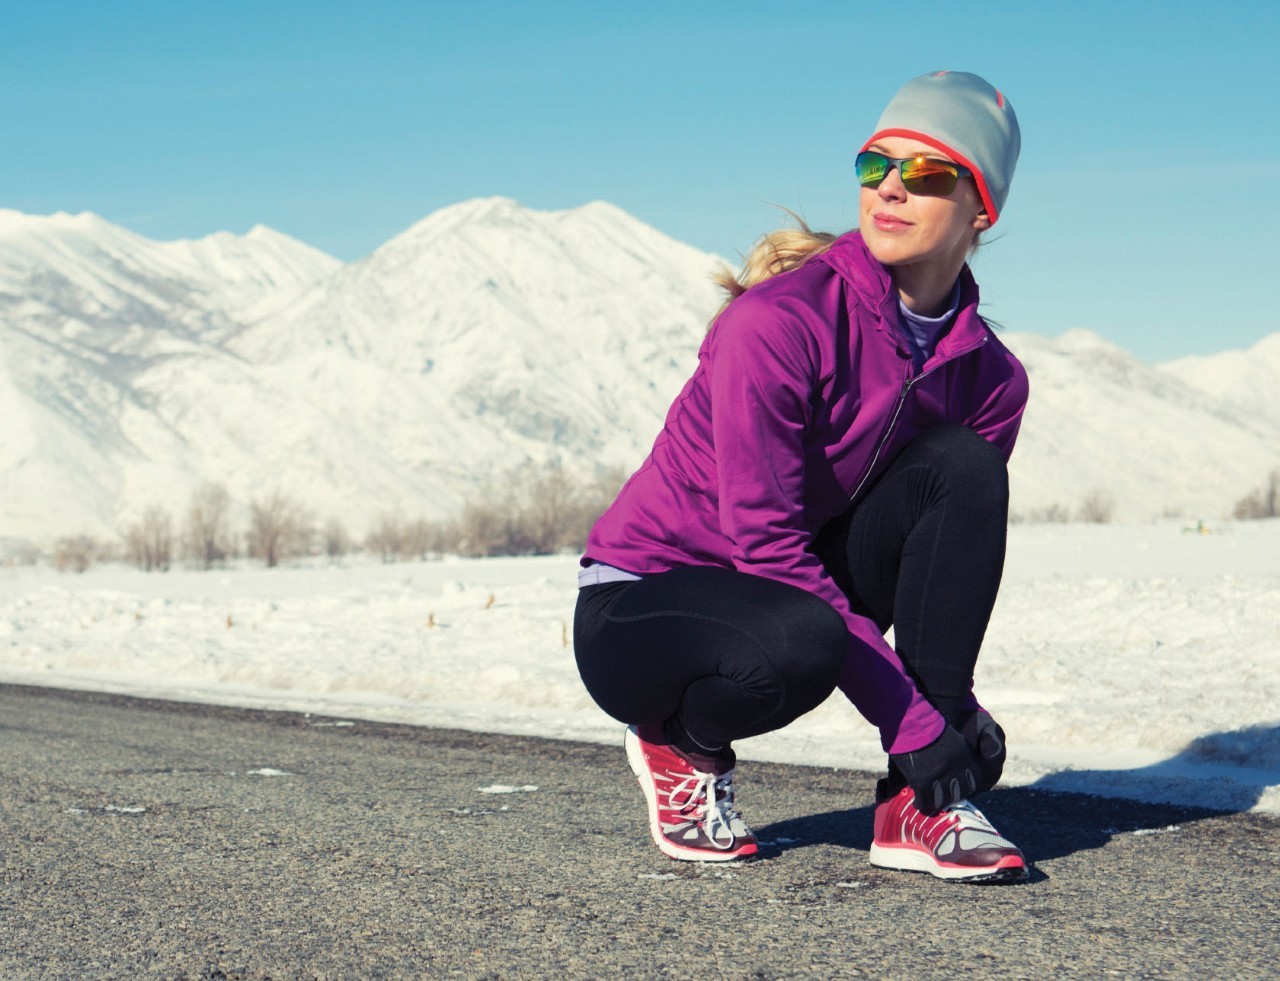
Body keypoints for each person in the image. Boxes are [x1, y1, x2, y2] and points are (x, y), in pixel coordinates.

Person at [574, 70, 1030, 883]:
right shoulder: (778, 324)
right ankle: (678, 743)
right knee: (797, 643)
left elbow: (937, 555)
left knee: (963, 469)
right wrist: (913, 720)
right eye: (873, 165)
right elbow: (768, 544)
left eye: (926, 174)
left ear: (981, 207)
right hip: (643, 604)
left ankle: (914, 806)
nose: (889, 188)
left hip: (787, 587)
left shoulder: (993, 380)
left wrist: (948, 716)